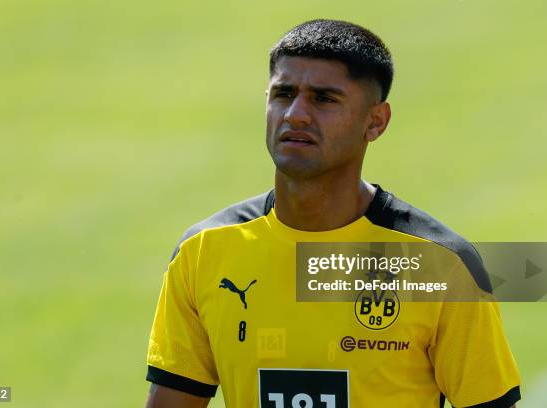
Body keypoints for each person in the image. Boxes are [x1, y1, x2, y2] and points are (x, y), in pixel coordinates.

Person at [144, 19, 521, 408]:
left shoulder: (441, 266)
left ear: (376, 122)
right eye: (283, 94)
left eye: (323, 99)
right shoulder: (203, 251)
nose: (296, 114)